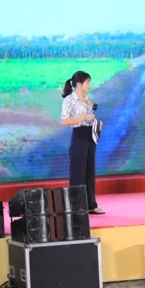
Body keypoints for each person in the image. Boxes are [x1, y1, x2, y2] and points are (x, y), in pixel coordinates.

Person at [60, 71, 105, 214]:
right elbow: (64, 121)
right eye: (87, 82)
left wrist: (95, 120)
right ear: (79, 84)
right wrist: (83, 117)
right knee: (78, 171)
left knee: (89, 170)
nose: (89, 85)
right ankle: (77, 206)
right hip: (79, 135)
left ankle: (91, 204)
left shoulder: (86, 98)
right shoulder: (69, 100)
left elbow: (92, 112)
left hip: (90, 134)